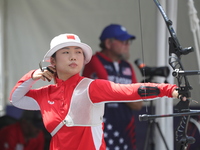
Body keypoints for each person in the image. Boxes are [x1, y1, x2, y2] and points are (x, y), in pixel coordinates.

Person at [9, 33, 180, 150]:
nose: (73, 56)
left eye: (78, 52)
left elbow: (129, 90)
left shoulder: (92, 87)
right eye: (66, 52)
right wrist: (33, 75)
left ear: (84, 60)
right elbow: (15, 99)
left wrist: (170, 90)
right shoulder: (45, 93)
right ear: (52, 61)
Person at [82, 24, 142, 150]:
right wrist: (128, 93)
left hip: (125, 129)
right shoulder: (94, 61)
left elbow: (137, 104)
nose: (127, 45)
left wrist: (120, 92)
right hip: (102, 128)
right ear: (108, 43)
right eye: (123, 41)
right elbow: (108, 89)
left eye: (128, 41)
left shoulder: (127, 66)